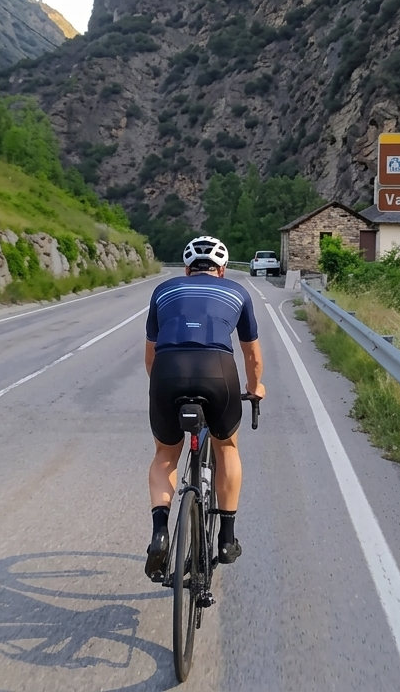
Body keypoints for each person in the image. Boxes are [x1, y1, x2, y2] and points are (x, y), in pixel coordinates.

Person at [143, 235, 266, 581]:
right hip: (218, 372)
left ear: (186, 268)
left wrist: (166, 388)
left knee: (166, 455)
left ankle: (160, 533)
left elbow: (150, 358)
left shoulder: (163, 290)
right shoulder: (238, 292)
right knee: (227, 447)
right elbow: (252, 356)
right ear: (222, 269)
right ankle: (226, 540)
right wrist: (255, 388)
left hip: (168, 373)